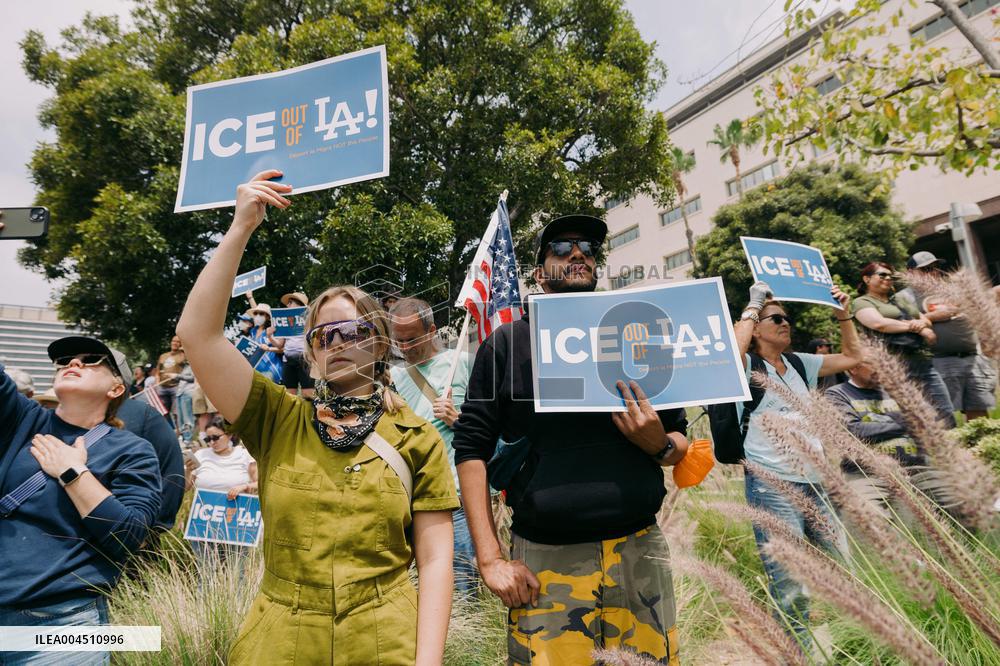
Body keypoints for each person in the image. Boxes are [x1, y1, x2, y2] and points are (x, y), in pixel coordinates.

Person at [176, 170, 460, 665]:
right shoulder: (276, 418)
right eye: (323, 336)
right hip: (279, 639)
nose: (337, 343)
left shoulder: (417, 438)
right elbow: (199, 335)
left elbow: (435, 561)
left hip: (383, 638)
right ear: (310, 353)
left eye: (350, 330)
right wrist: (241, 226)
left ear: (378, 341)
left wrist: (428, 661)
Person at [453, 214, 690, 665]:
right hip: (546, 561)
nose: (577, 254)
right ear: (540, 273)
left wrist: (658, 444)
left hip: (640, 551)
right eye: (560, 248)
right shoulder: (506, 344)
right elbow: (470, 449)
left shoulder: (636, 337)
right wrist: (490, 560)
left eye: (587, 247)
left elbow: (678, 440)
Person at [0, 336, 161, 665]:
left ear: (116, 389)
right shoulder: (21, 417)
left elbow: (128, 537)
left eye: (91, 360)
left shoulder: (132, 450)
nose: (73, 363)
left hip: (63, 626)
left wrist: (72, 472)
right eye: (66, 360)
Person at [733, 281, 862, 640]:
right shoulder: (745, 363)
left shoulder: (798, 363)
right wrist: (754, 303)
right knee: (790, 584)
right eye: (775, 318)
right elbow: (729, 353)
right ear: (756, 327)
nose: (785, 323)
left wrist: (844, 316)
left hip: (817, 481)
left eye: (787, 318)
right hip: (772, 484)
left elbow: (853, 358)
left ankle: (854, 642)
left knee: (843, 569)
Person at [388, 297, 476, 596]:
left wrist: (458, 419)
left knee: (464, 580)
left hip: (459, 494)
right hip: (416, 496)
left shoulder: (462, 363)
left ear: (431, 331)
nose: (405, 348)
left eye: (412, 339)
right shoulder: (394, 378)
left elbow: (490, 429)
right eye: (398, 341)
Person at [851, 262, 956, 427]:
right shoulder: (862, 302)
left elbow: (925, 320)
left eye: (890, 275)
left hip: (923, 362)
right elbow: (879, 324)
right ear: (867, 279)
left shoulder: (901, 299)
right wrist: (916, 328)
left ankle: (955, 450)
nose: (888, 278)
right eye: (882, 274)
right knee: (912, 418)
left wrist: (923, 327)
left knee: (945, 413)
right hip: (895, 367)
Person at [895, 251, 997, 421]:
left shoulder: (951, 288)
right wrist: (933, 317)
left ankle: (979, 443)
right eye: (926, 269)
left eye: (935, 267)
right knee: (944, 414)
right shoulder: (904, 296)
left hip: (973, 357)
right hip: (940, 360)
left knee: (979, 411)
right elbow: (904, 323)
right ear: (910, 272)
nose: (933, 272)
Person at [185, 416, 257, 563]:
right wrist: (188, 471)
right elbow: (186, 487)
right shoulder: (201, 455)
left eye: (216, 437)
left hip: (236, 519)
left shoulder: (243, 454)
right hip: (205, 519)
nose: (212, 442)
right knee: (206, 569)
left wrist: (245, 486)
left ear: (229, 434)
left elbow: (260, 483)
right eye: (208, 439)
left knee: (237, 570)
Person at [273, 291, 313, 397]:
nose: (287, 305)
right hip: (288, 362)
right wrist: (269, 336)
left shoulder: (310, 320)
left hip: (305, 360)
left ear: (299, 304)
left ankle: (312, 413)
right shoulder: (285, 322)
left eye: (290, 302)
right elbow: (279, 345)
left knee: (308, 394)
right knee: (290, 396)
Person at [154, 335, 187, 426]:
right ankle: (167, 429)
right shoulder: (163, 356)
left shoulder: (183, 355)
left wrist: (183, 348)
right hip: (162, 387)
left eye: (178, 342)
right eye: (173, 341)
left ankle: (178, 432)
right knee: (163, 411)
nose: (175, 343)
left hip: (176, 387)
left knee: (177, 412)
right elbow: (157, 372)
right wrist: (156, 383)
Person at [248, 303, 283, 384]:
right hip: (256, 370)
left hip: (271, 370)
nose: (258, 316)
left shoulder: (273, 330)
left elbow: (282, 349)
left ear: (267, 316)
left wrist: (268, 349)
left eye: (261, 313)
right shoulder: (253, 331)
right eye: (256, 313)